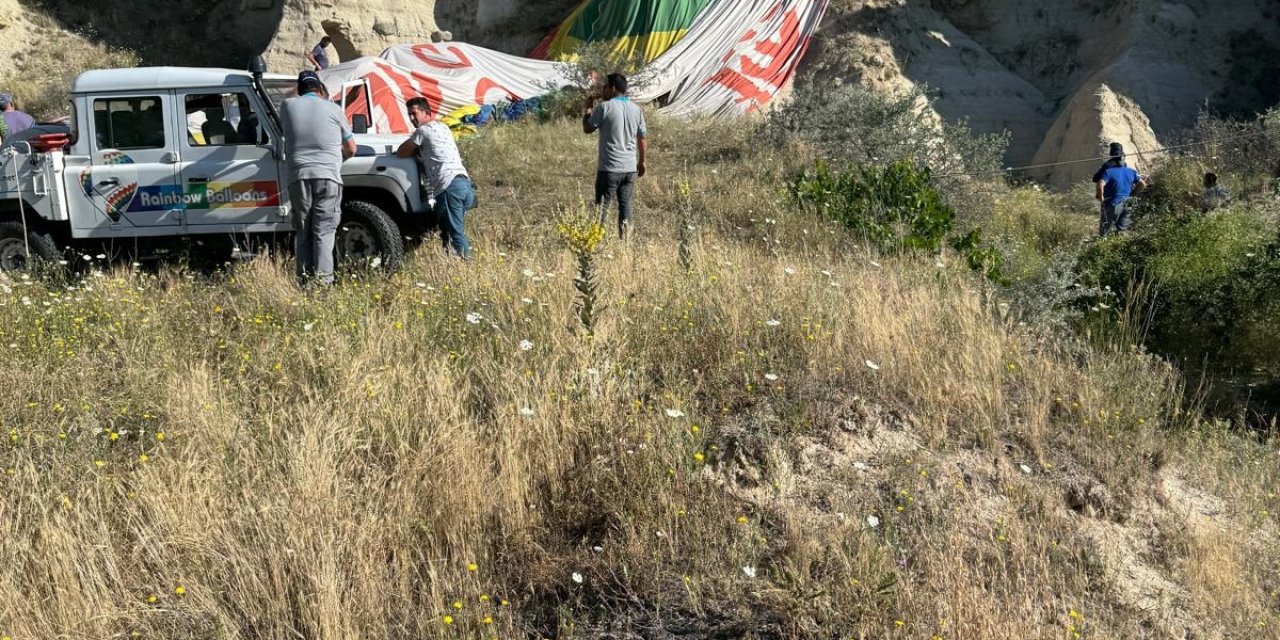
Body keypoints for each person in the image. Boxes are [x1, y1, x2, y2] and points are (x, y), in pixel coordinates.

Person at [280, 70, 355, 286]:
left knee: (303, 231)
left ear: (300, 89)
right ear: (320, 89)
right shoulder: (333, 108)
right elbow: (351, 147)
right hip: (328, 176)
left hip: (299, 176)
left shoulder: (288, 107)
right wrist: (336, 160)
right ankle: (323, 284)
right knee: (323, 232)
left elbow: (290, 95)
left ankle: (304, 282)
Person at [396, 96, 477, 258]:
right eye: (409, 115)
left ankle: (467, 266)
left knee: (455, 233)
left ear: (427, 113)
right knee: (447, 228)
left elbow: (401, 152)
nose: (412, 118)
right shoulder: (443, 127)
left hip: (447, 186)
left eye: (414, 114)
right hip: (463, 182)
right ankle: (450, 262)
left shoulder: (423, 131)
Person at [583, 73, 647, 239]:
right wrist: (642, 162)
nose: (602, 90)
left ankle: (596, 241)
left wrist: (589, 106)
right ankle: (625, 241)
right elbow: (642, 138)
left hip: (610, 168)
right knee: (625, 206)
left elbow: (587, 128)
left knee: (602, 208)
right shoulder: (636, 109)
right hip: (630, 168)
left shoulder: (604, 107)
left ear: (612, 88)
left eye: (604, 87)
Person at [1092, 141, 1148, 236]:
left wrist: (1101, 198)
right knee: (1121, 232)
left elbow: (1099, 183)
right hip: (1128, 203)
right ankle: (1119, 247)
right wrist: (1134, 193)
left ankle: (1103, 248)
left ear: (1111, 154)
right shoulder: (1130, 171)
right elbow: (1143, 184)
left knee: (1105, 232)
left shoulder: (1108, 170)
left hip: (1112, 203)